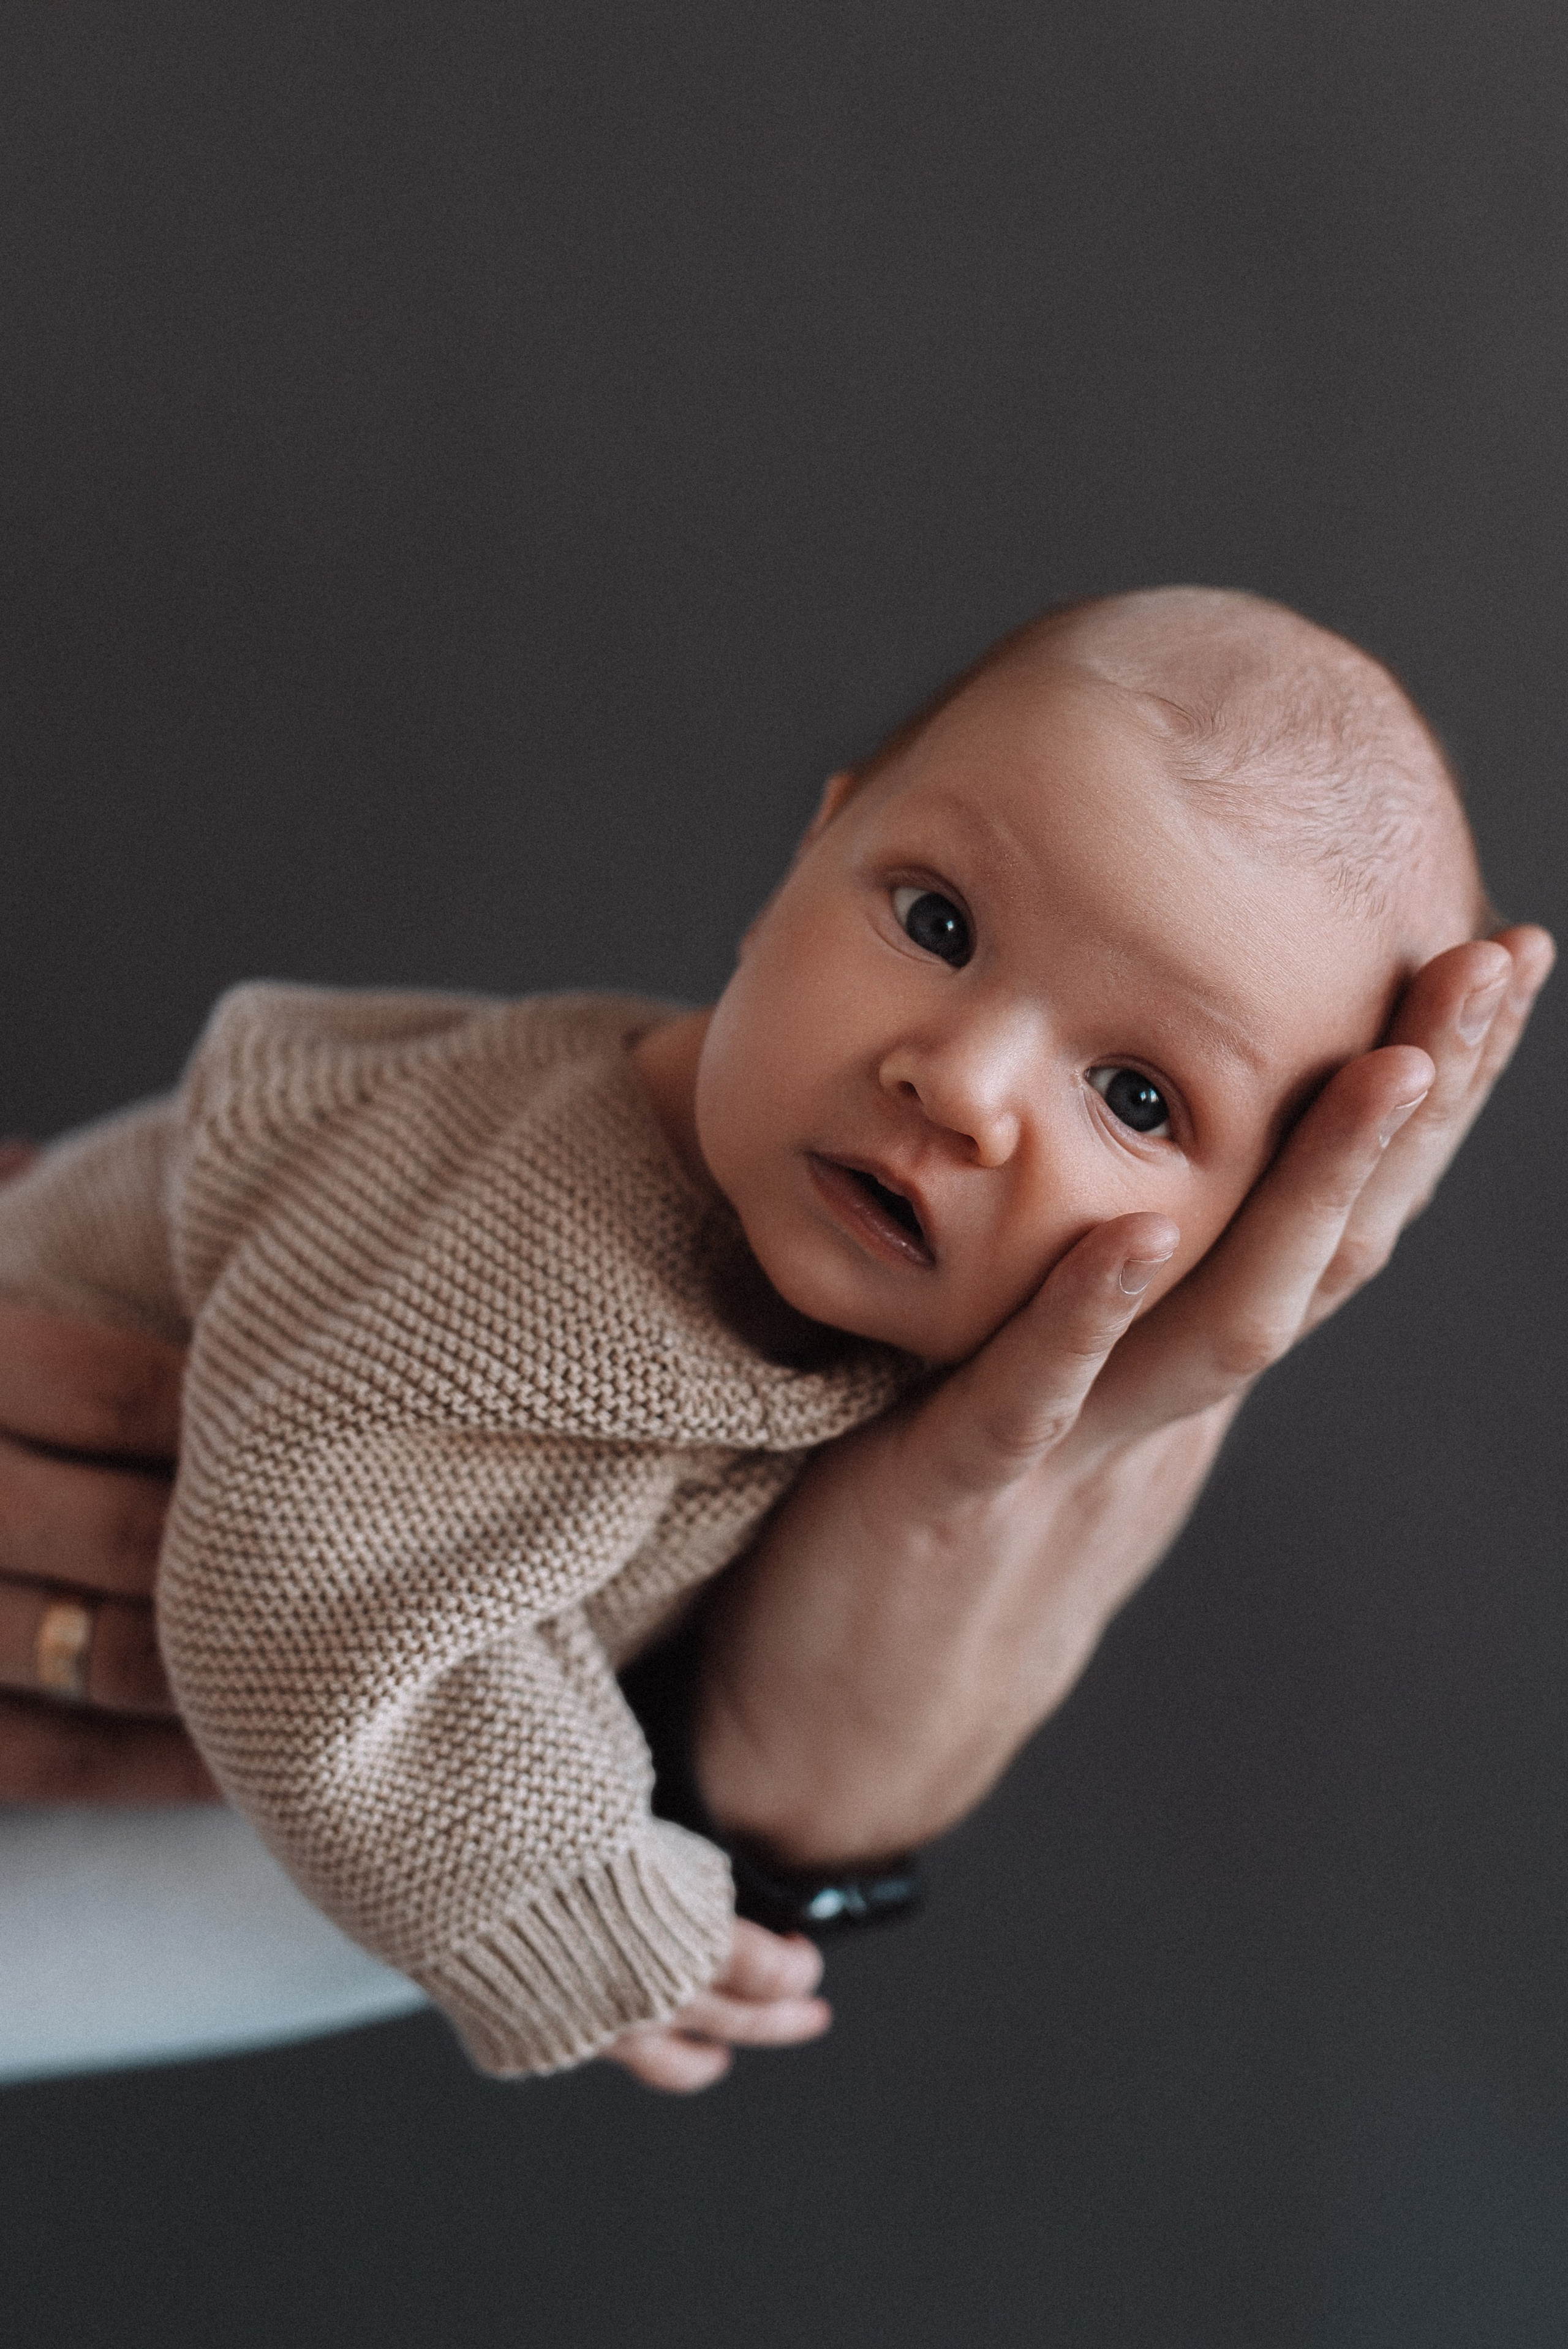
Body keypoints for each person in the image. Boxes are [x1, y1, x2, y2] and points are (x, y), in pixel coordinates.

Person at [0, 589, 1554, 2093]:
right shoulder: (551, 1235)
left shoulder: (833, 1286)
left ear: (1255, 1234)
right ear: (802, 860)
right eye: (937, 921)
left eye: (1136, 1098)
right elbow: (306, 1582)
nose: (962, 1082)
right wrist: (585, 1912)